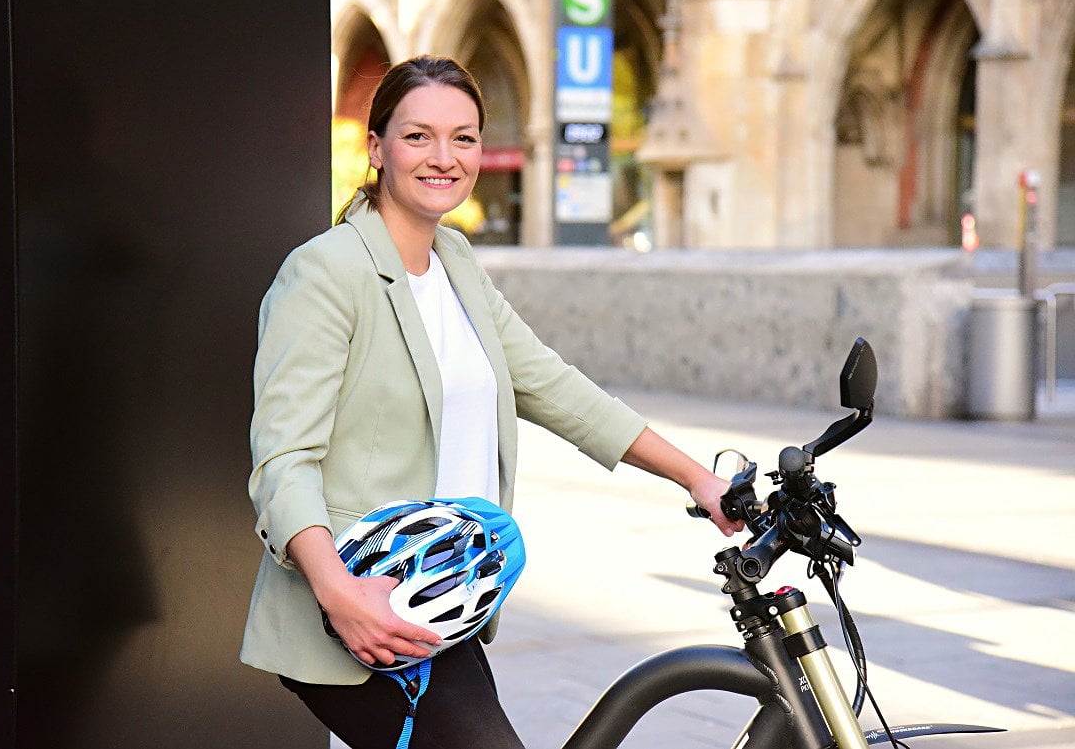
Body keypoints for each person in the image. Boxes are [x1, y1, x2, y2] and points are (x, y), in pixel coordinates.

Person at [240, 55, 743, 749]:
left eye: (464, 137)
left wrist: (698, 476)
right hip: (360, 616)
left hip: (443, 599)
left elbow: (552, 383)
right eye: (418, 136)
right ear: (377, 147)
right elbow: (283, 458)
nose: (443, 157)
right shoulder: (327, 272)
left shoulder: (456, 262)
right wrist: (340, 594)